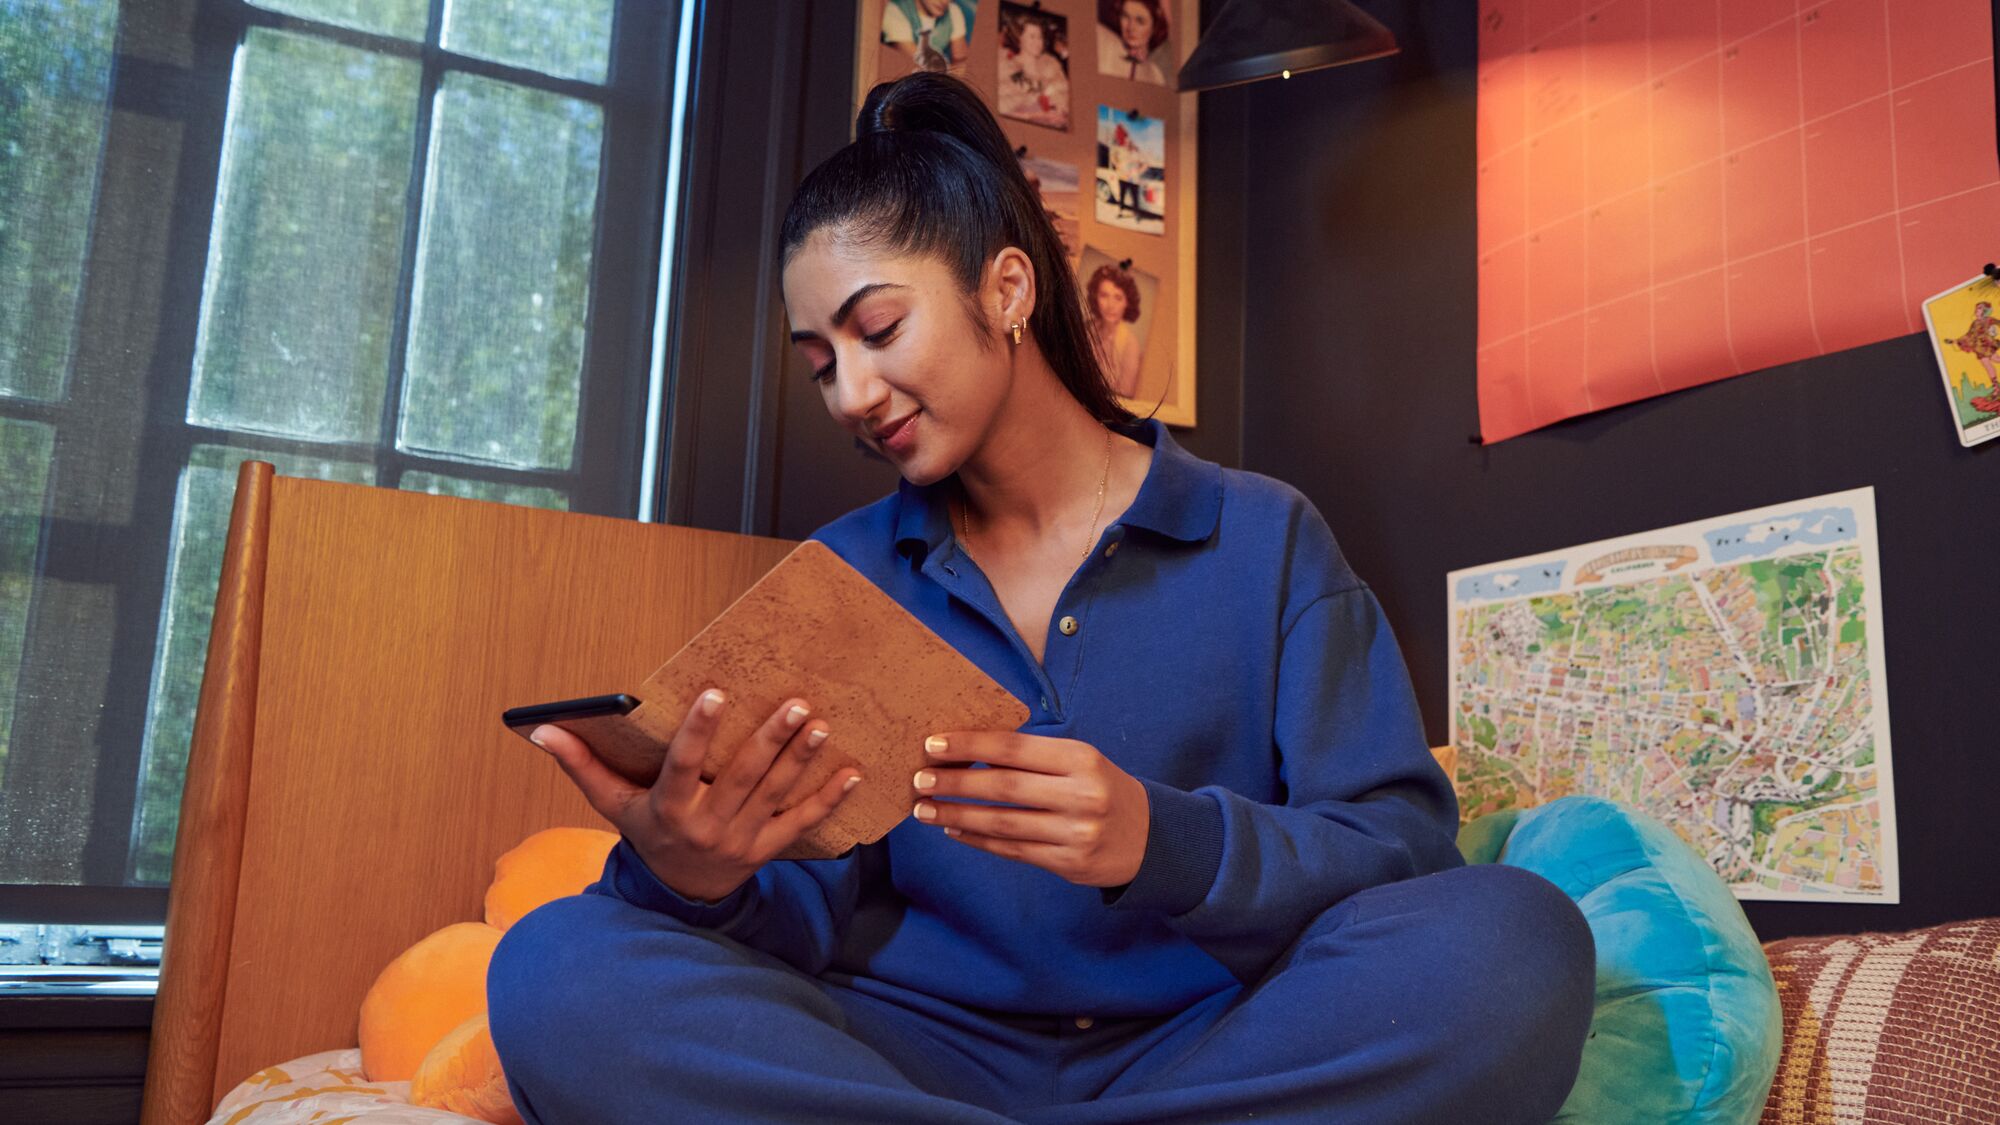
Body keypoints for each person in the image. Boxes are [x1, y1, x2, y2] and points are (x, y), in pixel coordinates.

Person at [487, 71, 1595, 1124]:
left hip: (1214, 1047)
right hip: (909, 1063)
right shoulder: (845, 576)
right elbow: (804, 915)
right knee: (553, 966)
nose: (851, 393)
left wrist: (1161, 841)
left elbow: (1398, 852)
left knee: (1513, 940)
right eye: (820, 361)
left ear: (1005, 288)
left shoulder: (1261, 536)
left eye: (877, 330)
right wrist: (698, 877)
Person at [997, 13, 1070, 130]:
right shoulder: (1006, 66)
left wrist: (1062, 112)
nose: (1038, 42)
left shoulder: (1050, 63)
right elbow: (998, 109)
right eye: (1032, 36)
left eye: (1040, 37)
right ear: (1019, 38)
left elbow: (1067, 96)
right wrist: (1031, 116)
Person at [1086, 263, 1143, 398]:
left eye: (1118, 298)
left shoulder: (1131, 346)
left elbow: (1124, 397)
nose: (1110, 305)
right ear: (1096, 297)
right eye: (1104, 295)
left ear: (1127, 303)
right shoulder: (1087, 328)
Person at [1096, 0, 1169, 86]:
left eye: (1140, 21)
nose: (1131, 28)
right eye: (1125, 16)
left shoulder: (1155, 75)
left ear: (1154, 28)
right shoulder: (1103, 41)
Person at [883, 0, 970, 71]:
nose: (944, 1)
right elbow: (918, 62)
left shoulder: (953, 11)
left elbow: (961, 59)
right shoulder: (895, 10)